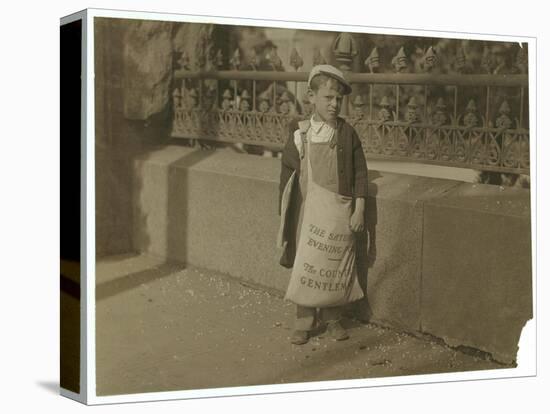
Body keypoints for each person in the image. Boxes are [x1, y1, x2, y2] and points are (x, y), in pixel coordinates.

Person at [278, 65, 368, 345]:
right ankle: (304, 320)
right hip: (309, 211)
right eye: (327, 97)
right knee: (308, 264)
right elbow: (287, 176)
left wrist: (360, 208)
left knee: (333, 264)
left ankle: (332, 319)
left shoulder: (346, 134)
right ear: (311, 97)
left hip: (339, 211)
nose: (333, 104)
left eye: (338, 99)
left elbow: (360, 172)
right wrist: (285, 214)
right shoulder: (300, 134)